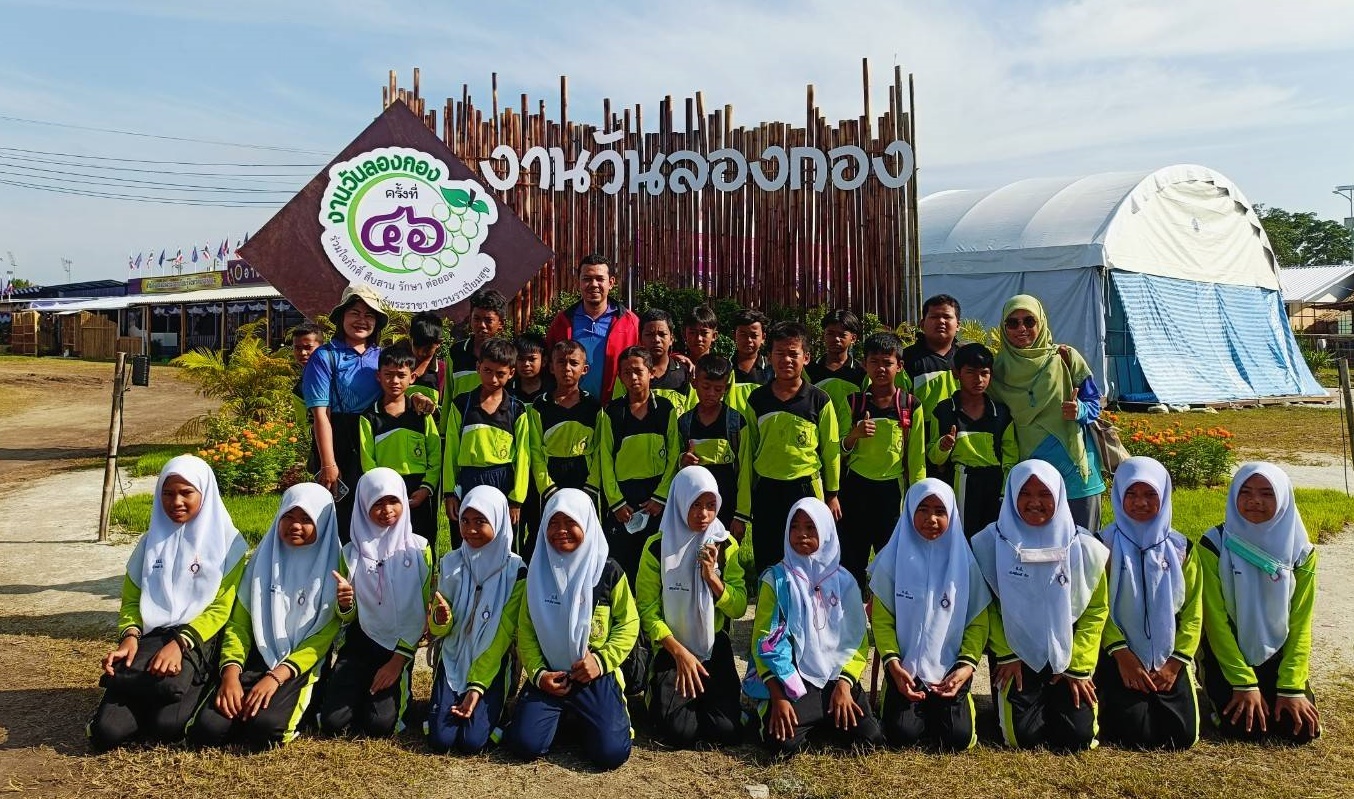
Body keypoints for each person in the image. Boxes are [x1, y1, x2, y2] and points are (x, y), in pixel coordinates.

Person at [89, 455, 247, 752]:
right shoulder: (149, 542)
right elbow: (132, 601)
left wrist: (179, 644)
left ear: (205, 493)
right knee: (106, 733)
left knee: (167, 727)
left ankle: (187, 686)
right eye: (168, 493)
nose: (176, 502)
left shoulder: (230, 545)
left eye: (187, 493)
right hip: (151, 638)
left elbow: (220, 609)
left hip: (199, 638)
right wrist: (130, 636)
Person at [970, 460, 1109, 752]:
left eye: (1045, 494)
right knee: (1022, 738)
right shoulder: (987, 544)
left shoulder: (1085, 548)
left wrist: (1078, 665)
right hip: (1014, 655)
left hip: (1068, 653)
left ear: (1059, 495)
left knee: (1077, 737)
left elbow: (1096, 611)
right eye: (1025, 493)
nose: (1035, 502)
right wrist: (1007, 654)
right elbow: (986, 606)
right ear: (1011, 495)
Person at [190, 484, 342, 750]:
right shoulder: (260, 563)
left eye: (306, 519)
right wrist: (231, 675)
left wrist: (275, 677)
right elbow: (239, 625)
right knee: (208, 731)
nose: (295, 526)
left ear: (324, 522)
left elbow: (321, 639)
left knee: (264, 730)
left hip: (301, 665)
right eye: (288, 516)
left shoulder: (336, 571)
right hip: (257, 657)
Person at [504, 489, 638, 771]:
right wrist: (539, 674)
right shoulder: (538, 572)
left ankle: (583, 716)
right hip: (551, 675)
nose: (560, 531)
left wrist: (601, 662)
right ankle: (565, 714)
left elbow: (628, 624)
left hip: (594, 674)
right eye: (553, 523)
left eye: (570, 522)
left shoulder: (608, 571)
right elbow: (525, 631)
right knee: (524, 744)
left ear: (587, 524)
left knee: (611, 753)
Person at [747, 497, 884, 756]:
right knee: (782, 745)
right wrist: (778, 697)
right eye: (795, 527)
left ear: (826, 531)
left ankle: (823, 715)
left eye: (811, 527)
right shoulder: (777, 580)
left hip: (836, 678)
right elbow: (762, 643)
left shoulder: (845, 582)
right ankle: (788, 715)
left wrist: (844, 684)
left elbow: (857, 640)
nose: (802, 534)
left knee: (870, 738)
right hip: (795, 681)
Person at [1197, 463, 1320, 744]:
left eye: (1267, 493)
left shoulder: (1301, 551)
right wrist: (1243, 683)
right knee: (1244, 729)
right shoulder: (1214, 544)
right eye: (1246, 492)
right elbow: (1215, 621)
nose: (1255, 501)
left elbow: (1301, 623)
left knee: (1299, 729)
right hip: (1228, 654)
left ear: (1284, 498)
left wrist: (1292, 686)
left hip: (1278, 654)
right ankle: (1222, 686)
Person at [868, 479, 991, 751]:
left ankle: (955, 704)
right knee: (901, 734)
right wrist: (893, 663)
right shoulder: (892, 559)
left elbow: (978, 622)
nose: (931, 519)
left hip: (950, 670)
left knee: (957, 737)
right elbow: (882, 619)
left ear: (952, 514)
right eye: (922, 509)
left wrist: (965, 667)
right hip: (905, 670)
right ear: (909, 511)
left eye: (940, 511)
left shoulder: (966, 564)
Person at [636, 466, 747, 748]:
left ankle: (710, 696)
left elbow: (738, 607)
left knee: (726, 731)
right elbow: (647, 610)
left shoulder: (725, 544)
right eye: (695, 505)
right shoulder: (657, 547)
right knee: (679, 732)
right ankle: (655, 690)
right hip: (673, 646)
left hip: (712, 643)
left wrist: (712, 578)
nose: (704, 514)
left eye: (711, 505)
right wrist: (678, 652)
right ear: (680, 502)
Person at [1096, 457, 1202, 751]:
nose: (1140, 502)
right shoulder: (1103, 545)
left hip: (1169, 657)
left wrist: (1175, 663)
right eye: (1131, 493)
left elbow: (1193, 612)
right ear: (1118, 495)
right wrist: (1122, 655)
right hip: (1120, 655)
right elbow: (1097, 608)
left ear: (1164, 495)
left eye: (1150, 494)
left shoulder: (1181, 548)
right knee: (1130, 732)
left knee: (1181, 735)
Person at [318, 469, 432, 738]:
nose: (387, 510)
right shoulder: (351, 553)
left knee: (379, 725)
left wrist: (397, 662)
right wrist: (345, 604)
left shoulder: (419, 550)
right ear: (363, 504)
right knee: (333, 723)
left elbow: (419, 611)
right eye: (377, 503)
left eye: (393, 501)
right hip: (360, 642)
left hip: (397, 647)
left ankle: (386, 693)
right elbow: (348, 617)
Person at [988, 295, 1106, 532]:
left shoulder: (1065, 357)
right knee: (1035, 544)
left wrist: (1080, 410)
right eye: (1012, 323)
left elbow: (1094, 402)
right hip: (1029, 472)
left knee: (1084, 543)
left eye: (1029, 321)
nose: (1021, 329)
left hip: (1074, 469)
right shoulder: (996, 371)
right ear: (1004, 327)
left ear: (1041, 322)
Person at [426, 486, 526, 755]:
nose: (470, 530)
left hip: (491, 660)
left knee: (472, 741)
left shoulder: (516, 571)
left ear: (499, 521)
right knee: (441, 739)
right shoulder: (451, 563)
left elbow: (504, 634)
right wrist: (440, 618)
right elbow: (439, 626)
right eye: (465, 521)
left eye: (481, 521)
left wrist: (477, 686)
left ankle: (499, 707)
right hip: (454, 655)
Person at [740, 322, 842, 576]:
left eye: (793, 353)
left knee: (808, 553)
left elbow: (830, 450)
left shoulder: (819, 400)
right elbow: (748, 451)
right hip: (767, 488)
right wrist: (743, 507)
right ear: (769, 357)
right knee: (768, 555)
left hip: (805, 487)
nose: (786, 359)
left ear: (806, 357)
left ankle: (807, 598)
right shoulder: (757, 400)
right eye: (779, 353)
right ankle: (770, 598)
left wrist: (832, 494)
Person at [837, 332, 925, 590]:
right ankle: (851, 608)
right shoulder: (853, 403)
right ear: (864, 364)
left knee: (892, 561)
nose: (881, 368)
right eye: (874, 362)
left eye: (887, 362)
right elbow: (838, 450)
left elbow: (916, 458)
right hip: (856, 490)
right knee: (851, 559)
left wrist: (916, 500)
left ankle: (887, 610)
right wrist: (854, 435)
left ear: (900, 366)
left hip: (891, 493)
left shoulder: (910, 406)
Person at [302, 284, 388, 542]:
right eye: (355, 313)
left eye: (369, 315)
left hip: (377, 438)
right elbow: (321, 414)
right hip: (340, 440)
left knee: (377, 510)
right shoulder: (325, 357)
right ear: (341, 317)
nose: (362, 320)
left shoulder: (383, 357)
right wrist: (328, 463)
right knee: (341, 517)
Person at [596, 345, 681, 582]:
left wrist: (660, 497)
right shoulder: (612, 413)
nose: (633, 377)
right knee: (621, 561)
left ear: (651, 373)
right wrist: (616, 502)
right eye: (626, 372)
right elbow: (605, 460)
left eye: (638, 371)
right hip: (624, 498)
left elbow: (674, 455)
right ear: (620, 377)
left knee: (656, 559)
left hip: (656, 497)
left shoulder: (665, 410)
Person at [442, 338, 531, 549]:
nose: (492, 378)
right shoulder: (461, 404)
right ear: (478, 367)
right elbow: (451, 450)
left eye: (500, 373)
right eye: (487, 371)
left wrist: (516, 499)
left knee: (504, 544)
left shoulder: (516, 409)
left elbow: (523, 457)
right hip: (469, 479)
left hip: (502, 480)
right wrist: (449, 493)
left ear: (511, 373)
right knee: (466, 541)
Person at [927, 342, 1017, 535]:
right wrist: (943, 446)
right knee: (963, 537)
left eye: (984, 373)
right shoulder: (944, 411)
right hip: (961, 482)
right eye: (970, 372)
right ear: (956, 373)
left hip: (995, 485)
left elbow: (1010, 456)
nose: (978, 379)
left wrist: (1005, 491)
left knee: (994, 537)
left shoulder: (1001, 413)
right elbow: (934, 457)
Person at [526, 340, 602, 561]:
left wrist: (592, 485)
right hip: (551, 477)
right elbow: (535, 450)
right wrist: (546, 486)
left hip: (583, 476)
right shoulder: (539, 406)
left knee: (584, 531)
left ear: (584, 369)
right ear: (551, 367)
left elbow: (600, 449)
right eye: (561, 362)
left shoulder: (594, 407)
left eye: (573, 363)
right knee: (548, 531)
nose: (567, 368)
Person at [359, 341, 442, 542]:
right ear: (378, 376)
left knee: (421, 543)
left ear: (412, 377)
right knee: (387, 542)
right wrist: (382, 493)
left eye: (401, 375)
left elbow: (435, 452)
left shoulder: (421, 414)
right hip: (386, 491)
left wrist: (427, 487)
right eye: (388, 374)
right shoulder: (370, 417)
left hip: (418, 488)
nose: (394, 381)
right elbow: (368, 460)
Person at [545, 254, 640, 401]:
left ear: (611, 283)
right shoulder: (563, 321)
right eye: (587, 279)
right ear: (578, 282)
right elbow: (547, 360)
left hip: (615, 406)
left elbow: (648, 359)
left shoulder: (629, 322)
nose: (594, 284)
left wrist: (673, 359)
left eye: (600, 279)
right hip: (572, 406)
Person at [677, 355, 751, 532]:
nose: (711, 393)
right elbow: (674, 461)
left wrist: (741, 514)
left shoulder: (735, 423)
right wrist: (682, 459)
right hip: (693, 506)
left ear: (726, 388)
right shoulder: (684, 423)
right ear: (694, 383)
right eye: (706, 387)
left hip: (727, 504)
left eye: (718, 389)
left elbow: (745, 469)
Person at [620, 308, 693, 413]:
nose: (656, 340)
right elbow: (618, 410)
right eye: (649, 335)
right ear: (640, 339)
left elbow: (693, 413)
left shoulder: (685, 373)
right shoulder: (628, 372)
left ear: (671, 338)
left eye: (662, 334)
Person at [901, 294, 960, 418]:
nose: (941, 321)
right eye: (934, 317)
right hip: (922, 429)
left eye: (947, 317)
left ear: (958, 325)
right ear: (922, 324)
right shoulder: (906, 359)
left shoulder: (967, 357)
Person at [447, 287, 509, 400]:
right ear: (470, 319)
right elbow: (448, 395)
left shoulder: (507, 356)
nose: (482, 325)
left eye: (488, 320)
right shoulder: (456, 351)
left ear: (501, 323)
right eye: (477, 319)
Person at [804, 308, 867, 415]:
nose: (836, 339)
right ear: (823, 335)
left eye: (842, 335)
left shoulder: (861, 372)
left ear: (853, 338)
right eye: (831, 333)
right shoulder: (810, 370)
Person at [289, 322, 325, 433]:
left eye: (308, 347)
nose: (303, 353)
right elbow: (304, 425)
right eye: (297, 348)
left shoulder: (339, 374)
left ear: (322, 347)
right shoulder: (300, 388)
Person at [407, 311, 448, 408]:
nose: (421, 353)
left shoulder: (443, 372)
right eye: (417, 346)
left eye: (428, 348)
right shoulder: (397, 365)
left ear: (439, 343)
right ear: (410, 339)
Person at [508, 331, 551, 406]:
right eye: (521, 359)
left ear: (544, 361)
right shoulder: (508, 391)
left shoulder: (552, 390)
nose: (526, 364)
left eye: (532, 359)